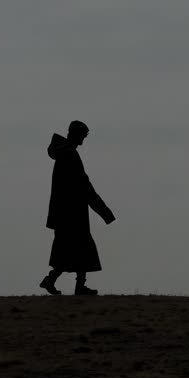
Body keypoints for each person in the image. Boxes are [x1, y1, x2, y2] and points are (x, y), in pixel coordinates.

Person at [40, 120, 115, 296]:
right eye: (83, 135)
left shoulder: (66, 154)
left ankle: (57, 281)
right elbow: (84, 186)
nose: (84, 139)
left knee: (72, 250)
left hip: (67, 213)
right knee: (79, 248)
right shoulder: (69, 155)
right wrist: (104, 212)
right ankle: (64, 283)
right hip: (71, 214)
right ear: (75, 134)